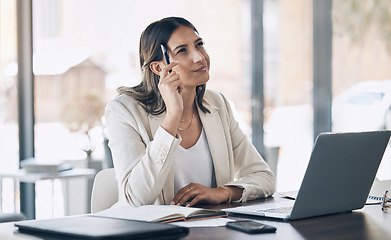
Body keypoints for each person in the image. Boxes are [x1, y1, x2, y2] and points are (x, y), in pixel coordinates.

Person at [105, 17, 275, 208]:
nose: (199, 57)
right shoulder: (124, 111)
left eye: (199, 45)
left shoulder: (217, 104)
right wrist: (172, 117)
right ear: (159, 67)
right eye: (182, 51)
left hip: (213, 229)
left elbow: (264, 177)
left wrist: (222, 193)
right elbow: (135, 199)